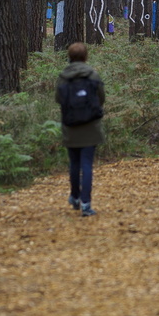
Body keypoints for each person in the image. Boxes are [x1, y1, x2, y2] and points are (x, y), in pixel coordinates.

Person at [55, 41, 105, 217]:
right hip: (91, 126)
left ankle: (75, 197)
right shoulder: (93, 75)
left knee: (74, 163)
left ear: (69, 56)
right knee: (87, 165)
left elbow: (59, 99)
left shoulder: (63, 76)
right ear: (86, 56)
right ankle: (86, 204)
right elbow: (101, 98)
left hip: (70, 126)